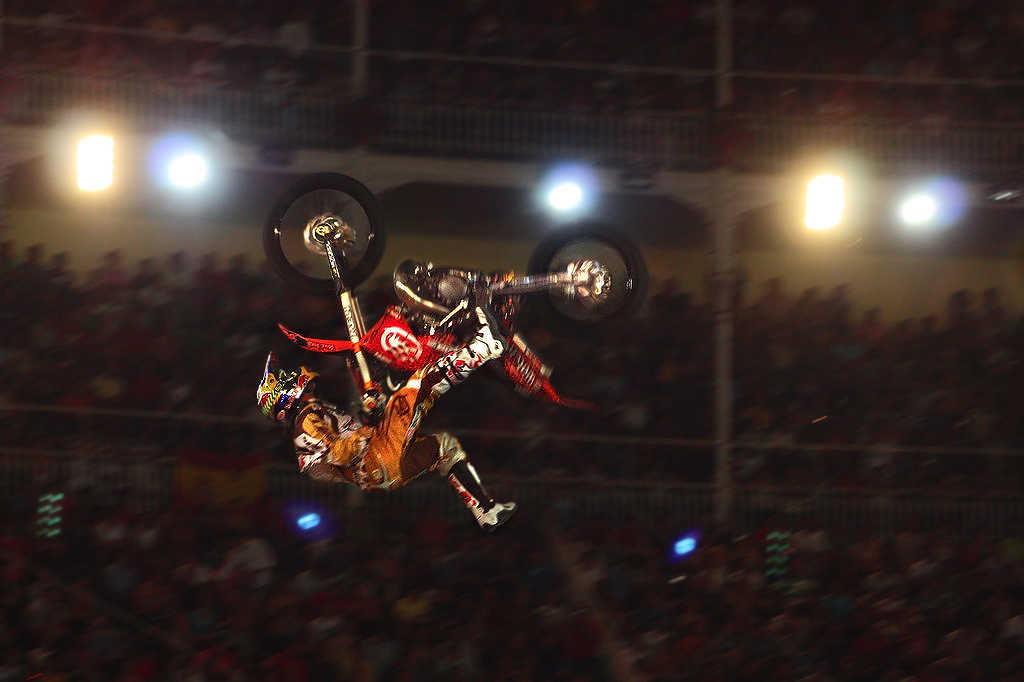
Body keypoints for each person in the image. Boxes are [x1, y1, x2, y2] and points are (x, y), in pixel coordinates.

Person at [257, 303, 517, 531]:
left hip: (381, 474)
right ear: (281, 397)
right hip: (376, 459)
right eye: (282, 380)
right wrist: (368, 431)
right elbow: (339, 453)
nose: (288, 377)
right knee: (420, 383)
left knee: (443, 447)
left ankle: (486, 511)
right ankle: (484, 347)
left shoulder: (305, 427)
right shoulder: (306, 419)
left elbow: (336, 458)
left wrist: (370, 417)